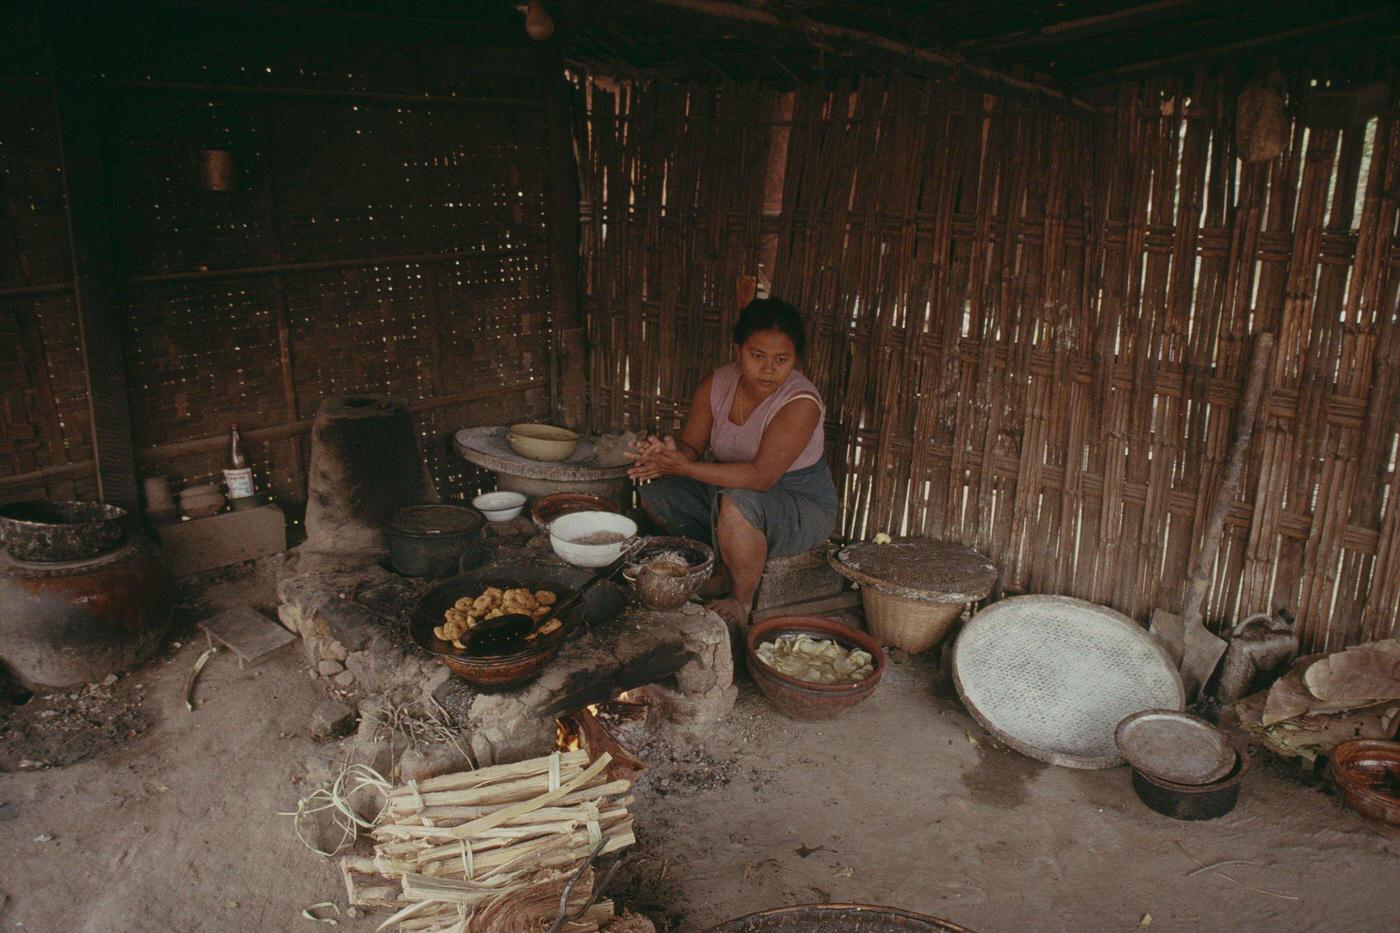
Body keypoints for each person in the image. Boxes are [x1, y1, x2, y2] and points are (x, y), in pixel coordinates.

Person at [628, 298, 838, 629]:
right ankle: (719, 565)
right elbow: (691, 447)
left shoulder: (801, 402)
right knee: (657, 488)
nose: (768, 369)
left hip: (798, 503)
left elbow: (761, 478)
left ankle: (741, 600)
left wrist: (685, 467)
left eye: (781, 360)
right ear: (737, 349)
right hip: (727, 490)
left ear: (796, 360)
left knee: (737, 504)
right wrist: (667, 456)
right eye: (757, 356)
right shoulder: (718, 384)